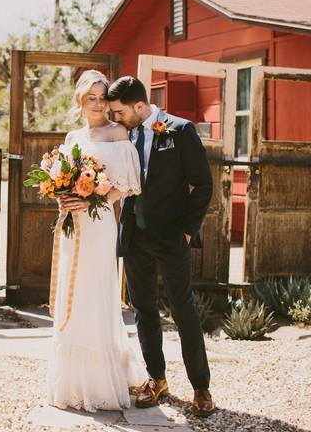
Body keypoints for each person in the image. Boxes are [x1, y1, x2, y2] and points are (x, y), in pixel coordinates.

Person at [106, 75, 216, 417]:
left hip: (171, 238)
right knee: (143, 310)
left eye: (120, 112)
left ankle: (201, 387)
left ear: (140, 106)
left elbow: (203, 185)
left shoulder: (180, 131)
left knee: (183, 311)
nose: (115, 118)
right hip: (135, 238)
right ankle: (157, 378)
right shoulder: (124, 134)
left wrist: (186, 231)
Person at [49, 69, 145, 412]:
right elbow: (62, 179)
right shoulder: (73, 137)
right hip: (74, 225)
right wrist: (63, 197)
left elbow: (127, 184)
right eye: (91, 97)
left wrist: (93, 200)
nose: (97, 103)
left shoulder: (117, 132)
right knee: (73, 296)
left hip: (101, 222)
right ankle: (73, 381)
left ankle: (102, 382)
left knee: (96, 291)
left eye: (102, 97)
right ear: (80, 100)